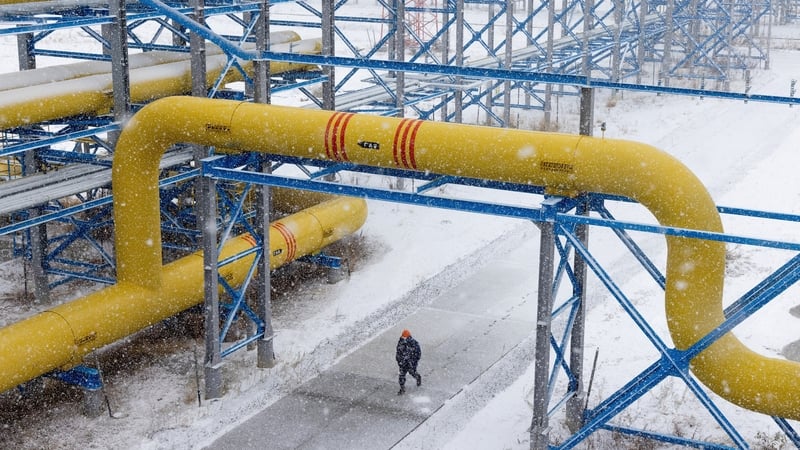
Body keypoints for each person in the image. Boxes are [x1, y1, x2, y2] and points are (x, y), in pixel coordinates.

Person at [395, 329, 422, 395]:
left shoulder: (414, 343)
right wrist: (399, 360)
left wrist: (413, 361)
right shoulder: (401, 342)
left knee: (412, 372)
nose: (404, 338)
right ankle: (402, 389)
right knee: (401, 376)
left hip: (410, 363)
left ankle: (418, 378)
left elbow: (418, 354)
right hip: (403, 363)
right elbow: (398, 352)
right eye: (403, 336)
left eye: (405, 337)